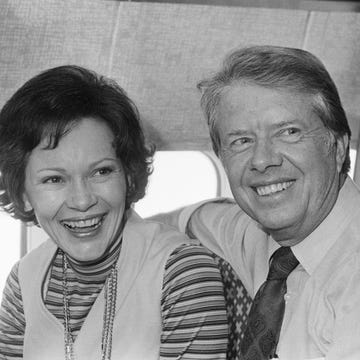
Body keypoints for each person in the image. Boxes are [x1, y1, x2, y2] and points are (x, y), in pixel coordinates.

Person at [0, 65, 229, 360]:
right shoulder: (24, 281)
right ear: (23, 194)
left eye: (101, 171)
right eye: (54, 179)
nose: (82, 201)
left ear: (129, 176)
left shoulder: (183, 272)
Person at [152, 45, 360, 360]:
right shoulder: (261, 237)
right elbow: (194, 219)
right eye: (242, 141)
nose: (262, 160)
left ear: (338, 145)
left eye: (289, 132)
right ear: (221, 157)